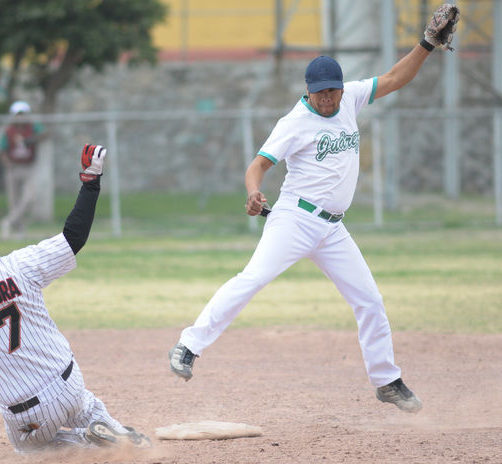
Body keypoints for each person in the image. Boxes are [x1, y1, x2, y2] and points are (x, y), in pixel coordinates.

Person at [169, 4, 460, 414]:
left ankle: (387, 381)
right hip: (295, 218)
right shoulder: (294, 122)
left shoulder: (351, 98)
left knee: (370, 301)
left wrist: (427, 44)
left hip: (333, 229)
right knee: (252, 278)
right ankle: (188, 346)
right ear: (307, 90)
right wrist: (254, 192)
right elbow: (259, 165)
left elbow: (396, 77)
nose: (328, 97)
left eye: (333, 90)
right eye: (320, 91)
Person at [0, 145, 151, 454]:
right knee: (84, 404)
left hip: (26, 414)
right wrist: (91, 180)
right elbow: (74, 236)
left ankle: (86, 445)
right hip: (67, 384)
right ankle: (118, 435)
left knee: (31, 450)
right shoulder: (20, 267)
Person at [0, 100, 47, 238]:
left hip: (28, 167)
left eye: (23, 114)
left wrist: (32, 139)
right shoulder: (9, 130)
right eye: (18, 114)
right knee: (13, 201)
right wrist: (7, 163)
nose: (20, 117)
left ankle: (8, 221)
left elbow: (44, 134)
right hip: (13, 168)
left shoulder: (32, 128)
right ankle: (19, 230)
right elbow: (2, 149)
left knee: (29, 198)